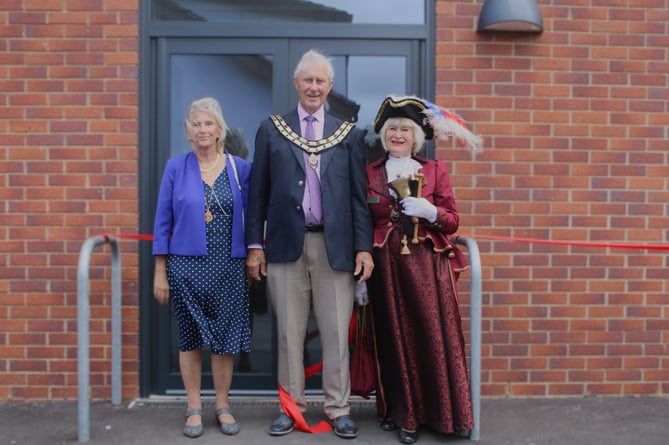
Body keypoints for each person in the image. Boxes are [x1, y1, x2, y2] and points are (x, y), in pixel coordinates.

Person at [245, 49, 374, 439]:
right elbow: (258, 194)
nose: (314, 86)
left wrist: (363, 247)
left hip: (334, 249)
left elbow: (358, 196)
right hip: (285, 247)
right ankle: (291, 407)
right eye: (308, 80)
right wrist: (255, 244)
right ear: (296, 84)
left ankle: (338, 409)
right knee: (288, 334)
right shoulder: (272, 129)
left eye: (321, 80)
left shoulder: (347, 134)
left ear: (330, 86)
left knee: (336, 335)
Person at [364, 95, 482, 444]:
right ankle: (402, 415)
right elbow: (360, 220)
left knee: (431, 338)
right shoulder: (369, 172)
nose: (397, 134)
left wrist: (430, 212)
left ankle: (443, 414)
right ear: (384, 135)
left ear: (416, 136)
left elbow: (452, 221)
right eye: (392, 129)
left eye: (404, 129)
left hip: (428, 267)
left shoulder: (433, 171)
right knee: (393, 341)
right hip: (386, 269)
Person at [152, 97, 252, 439]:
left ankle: (222, 405)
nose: (203, 130)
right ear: (187, 131)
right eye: (196, 124)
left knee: (224, 341)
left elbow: (254, 219)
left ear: (219, 129)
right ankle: (193, 406)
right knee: (190, 339)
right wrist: (159, 272)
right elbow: (162, 222)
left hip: (228, 267)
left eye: (209, 123)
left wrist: (257, 253)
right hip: (185, 267)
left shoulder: (240, 168)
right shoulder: (175, 168)